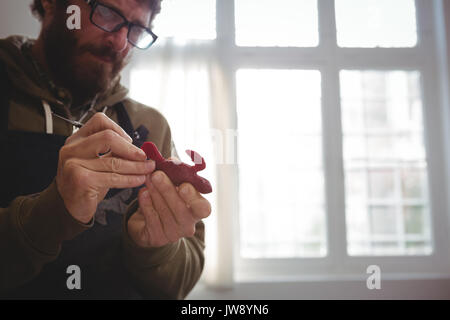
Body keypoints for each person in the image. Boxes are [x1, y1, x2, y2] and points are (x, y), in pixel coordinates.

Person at [0, 0, 211, 299]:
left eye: (137, 29)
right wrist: (51, 214)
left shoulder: (149, 125)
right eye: (108, 12)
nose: (120, 41)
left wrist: (156, 248)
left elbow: (179, 284)